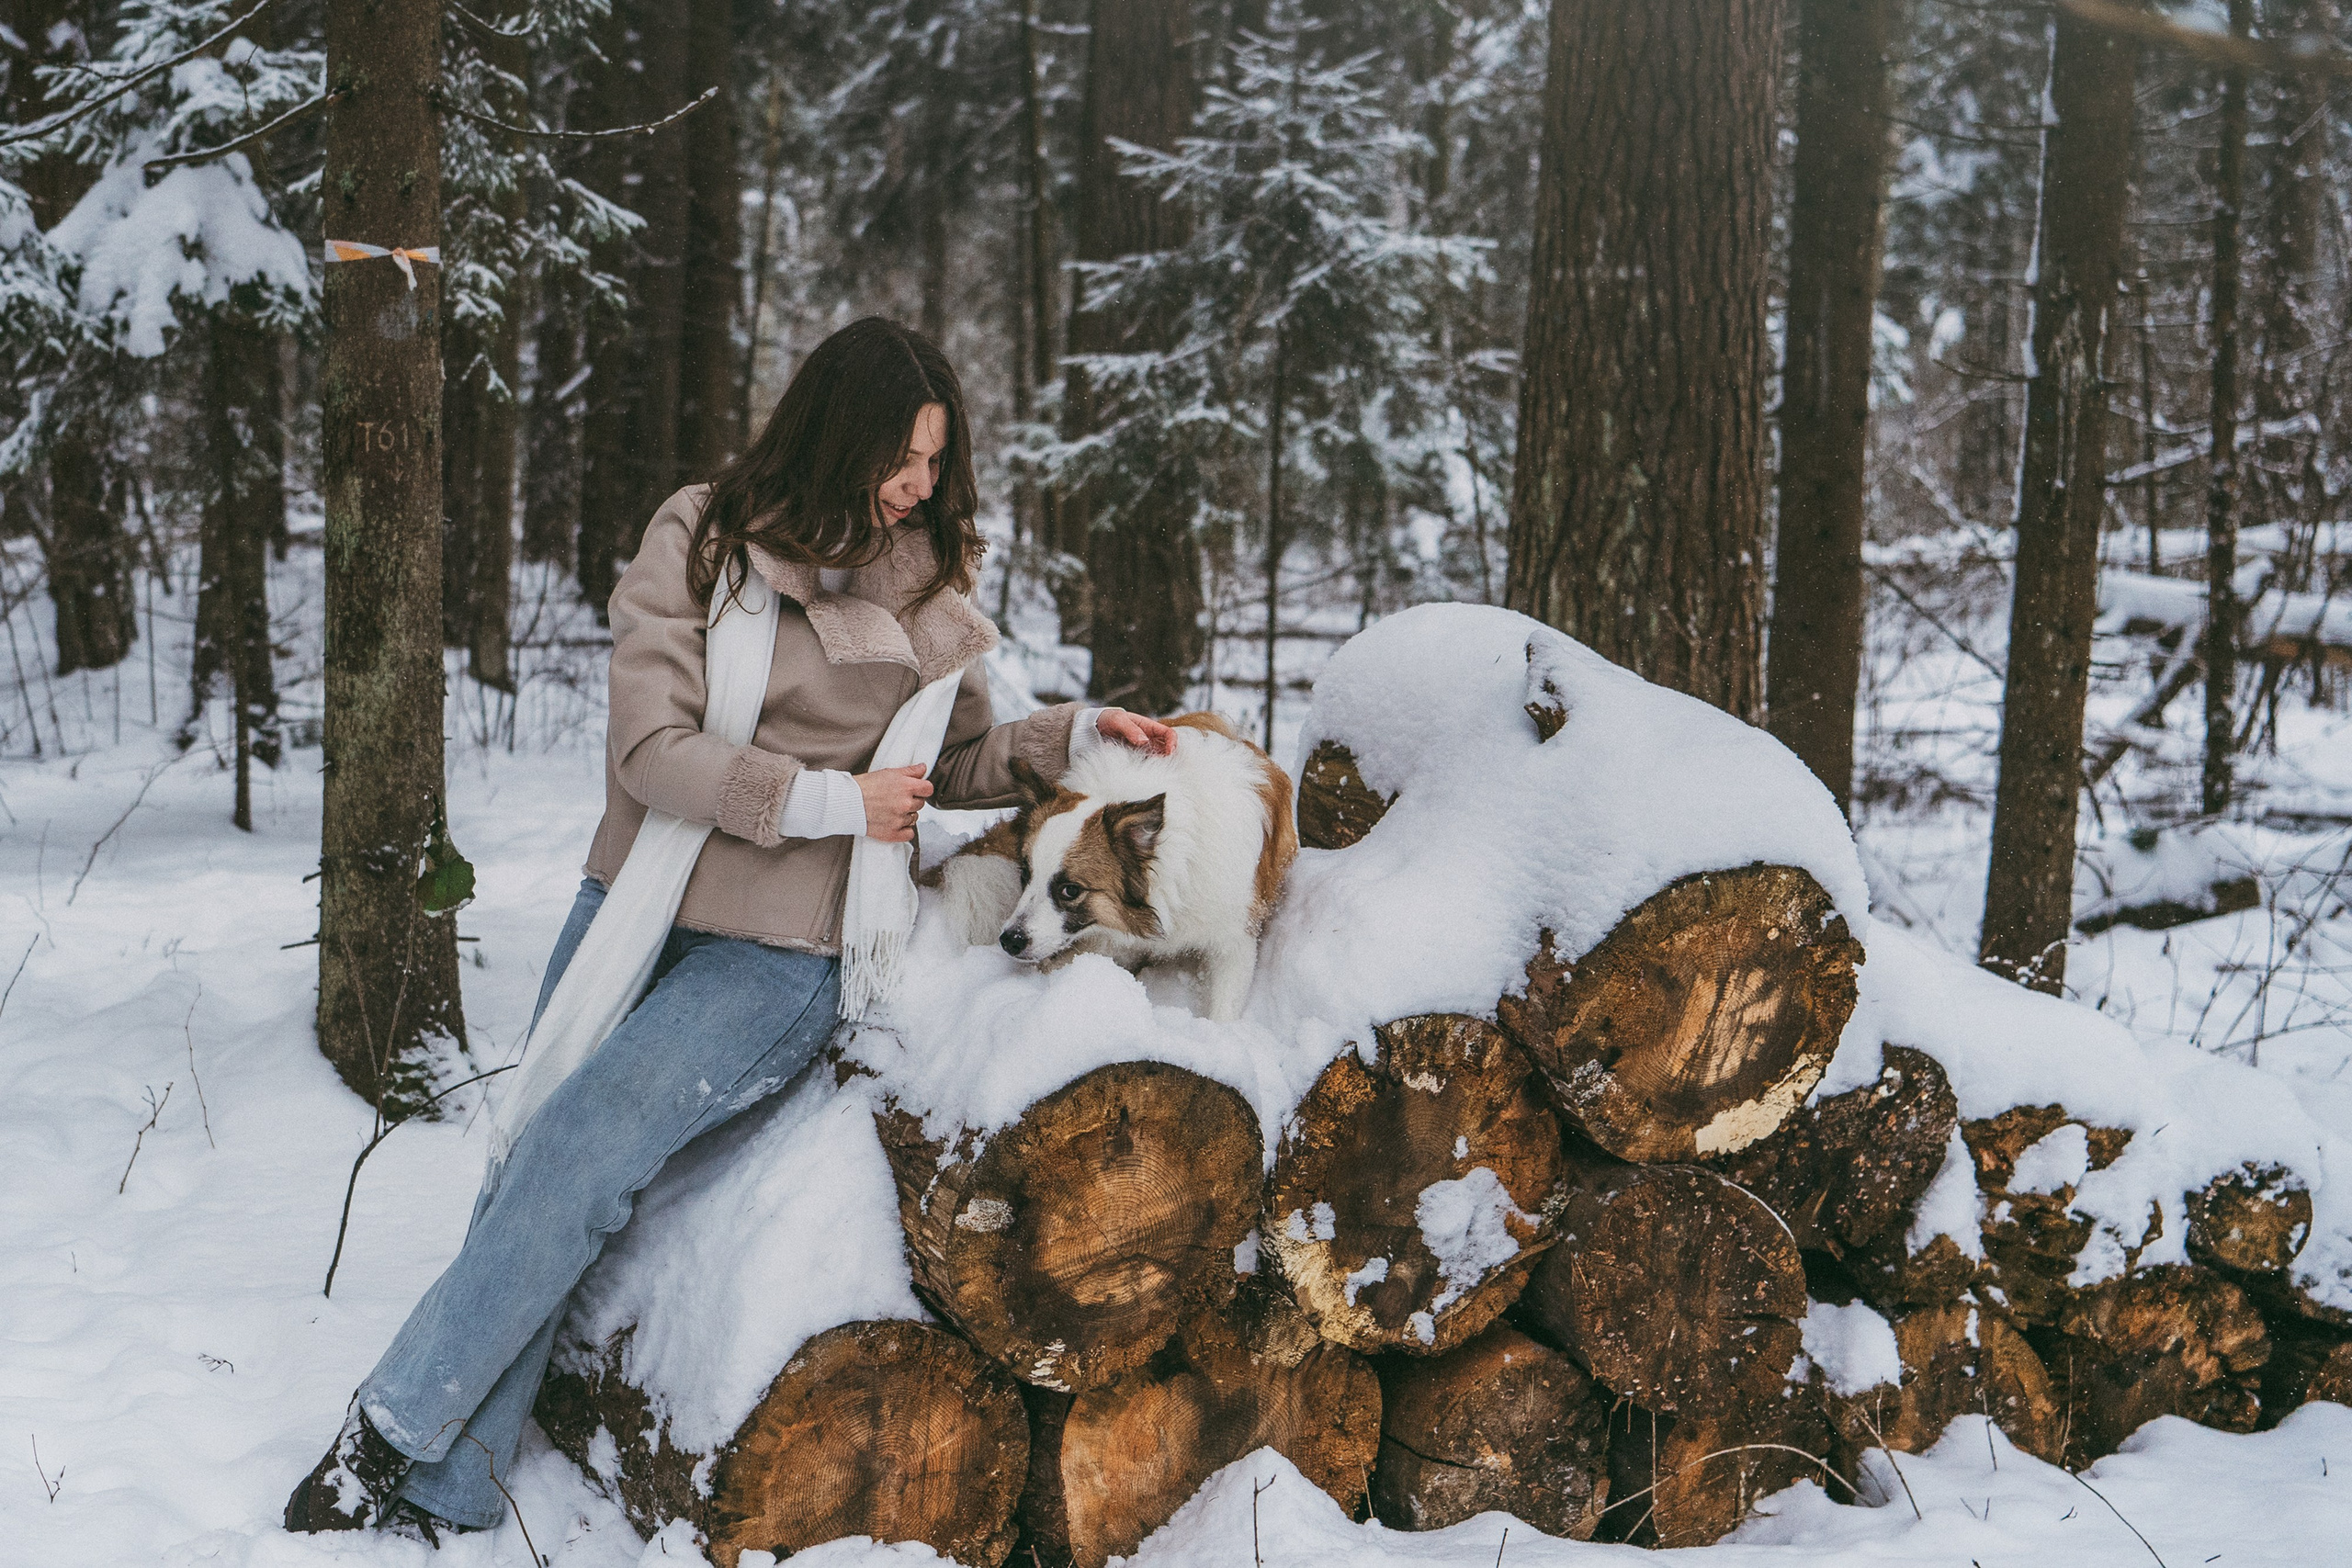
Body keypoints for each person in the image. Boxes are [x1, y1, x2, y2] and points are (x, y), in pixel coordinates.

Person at [284, 316, 1173, 1541]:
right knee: (539, 1156)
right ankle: (455, 1476)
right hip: (640, 905)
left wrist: (1068, 738)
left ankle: (383, 1437)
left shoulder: (927, 574)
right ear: (834, 434)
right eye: (902, 456)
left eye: (935, 456)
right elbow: (653, 753)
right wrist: (827, 800)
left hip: (788, 949)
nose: (921, 484)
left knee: (585, 1147)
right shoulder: (705, 538)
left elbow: (953, 759)